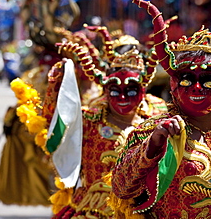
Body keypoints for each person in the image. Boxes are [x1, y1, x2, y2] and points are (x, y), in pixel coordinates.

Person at [109, 0, 211, 219]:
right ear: (173, 84)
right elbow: (121, 188)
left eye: (207, 80)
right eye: (186, 79)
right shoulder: (152, 133)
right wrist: (153, 146)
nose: (197, 87)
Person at [39, 27, 168, 218]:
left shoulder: (158, 115)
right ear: (105, 89)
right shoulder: (89, 118)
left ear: (143, 88)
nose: (123, 97)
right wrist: (57, 87)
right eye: (115, 91)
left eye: (131, 90)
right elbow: (55, 133)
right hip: (95, 209)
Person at [0, 0, 79, 206]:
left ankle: (62, 195)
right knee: (28, 145)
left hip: (58, 105)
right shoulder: (39, 47)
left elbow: (56, 15)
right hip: (37, 108)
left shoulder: (64, 46)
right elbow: (28, 18)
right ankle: (49, 195)